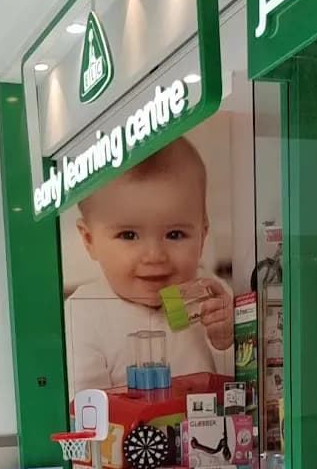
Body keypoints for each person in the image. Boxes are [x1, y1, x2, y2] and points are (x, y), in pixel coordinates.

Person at [65, 137, 235, 393]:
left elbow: (245, 385)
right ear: (89, 240)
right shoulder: (83, 313)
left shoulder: (213, 299)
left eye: (175, 234)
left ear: (203, 235)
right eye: (129, 235)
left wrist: (226, 340)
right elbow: (83, 407)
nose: (154, 256)